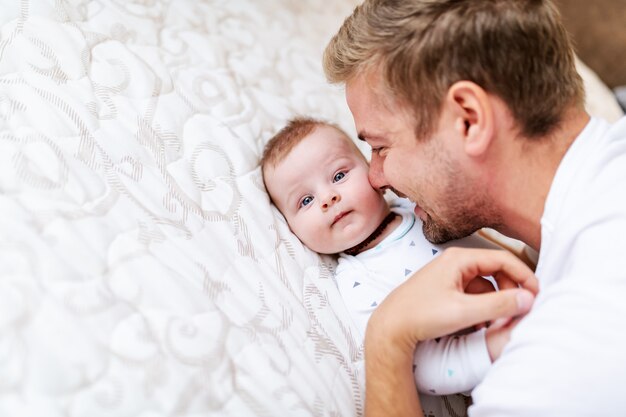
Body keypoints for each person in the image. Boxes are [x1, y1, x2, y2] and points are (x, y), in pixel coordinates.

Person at [323, 0, 626, 416]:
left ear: (468, 119)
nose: (375, 179)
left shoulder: (556, 363)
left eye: (380, 147)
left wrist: (388, 339)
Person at [261, 117, 525, 415]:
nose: (328, 198)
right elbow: (419, 367)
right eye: (305, 200)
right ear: (291, 229)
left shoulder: (417, 207)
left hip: (534, 298)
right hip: (505, 370)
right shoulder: (355, 280)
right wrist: (493, 348)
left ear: (373, 174)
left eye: (338, 176)